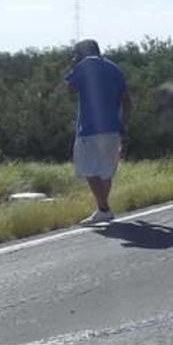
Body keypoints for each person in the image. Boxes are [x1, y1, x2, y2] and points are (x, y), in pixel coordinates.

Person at [65, 40, 131, 225]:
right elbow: (127, 100)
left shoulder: (84, 65)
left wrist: (73, 67)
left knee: (89, 169)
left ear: (81, 53)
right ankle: (102, 209)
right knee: (105, 171)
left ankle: (104, 209)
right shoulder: (115, 68)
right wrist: (123, 123)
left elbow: (70, 90)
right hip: (112, 127)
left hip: (90, 128)